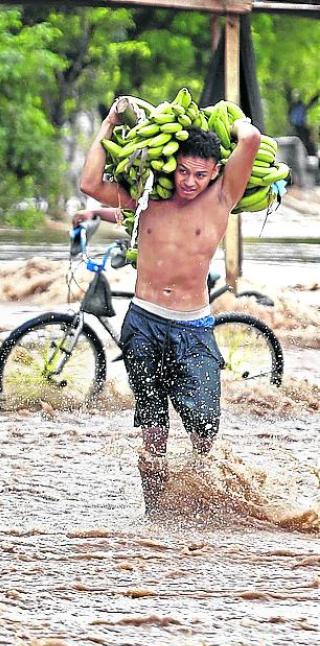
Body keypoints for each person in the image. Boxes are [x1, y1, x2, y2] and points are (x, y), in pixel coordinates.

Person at [78, 96, 261, 513]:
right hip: (144, 323)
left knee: (203, 430)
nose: (189, 181)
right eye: (182, 171)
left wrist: (223, 124)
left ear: (215, 172)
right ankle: (155, 515)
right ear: (170, 167)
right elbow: (90, 185)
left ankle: (205, 508)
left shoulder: (220, 200)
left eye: (199, 173)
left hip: (193, 327)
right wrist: (108, 124)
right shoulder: (147, 201)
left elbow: (249, 138)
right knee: (153, 431)